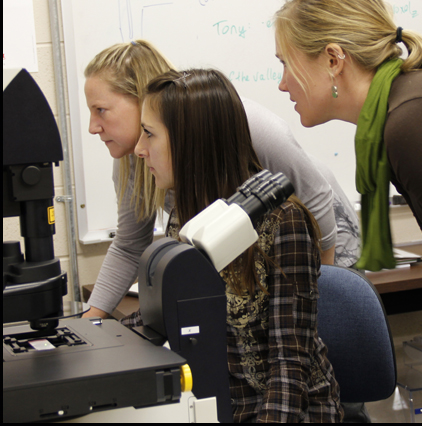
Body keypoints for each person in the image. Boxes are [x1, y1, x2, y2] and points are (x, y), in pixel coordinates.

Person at [83, 39, 360, 320]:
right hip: (250, 252)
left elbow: (315, 198)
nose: (93, 127)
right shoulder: (137, 157)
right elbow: (130, 246)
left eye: (100, 110)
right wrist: (91, 322)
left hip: (321, 237)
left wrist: (322, 291)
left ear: (139, 98)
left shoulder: (247, 123)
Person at [133, 68, 343, 422]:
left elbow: (289, 366)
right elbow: (159, 316)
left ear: (190, 141)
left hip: (284, 411)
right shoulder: (186, 215)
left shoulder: (282, 223)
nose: (139, 149)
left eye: (149, 135)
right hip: (220, 404)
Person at [274, 0, 422, 333]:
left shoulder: (411, 124)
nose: (282, 83)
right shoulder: (400, 111)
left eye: (286, 64)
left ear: (334, 59)